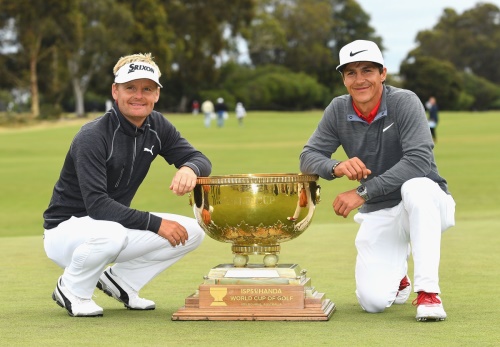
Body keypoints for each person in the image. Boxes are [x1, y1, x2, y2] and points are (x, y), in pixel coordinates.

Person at [43, 53, 212, 317]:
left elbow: (198, 158)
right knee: (113, 233)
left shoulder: (157, 125)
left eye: (147, 89)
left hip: (110, 228)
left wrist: (190, 168)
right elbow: (98, 207)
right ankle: (71, 289)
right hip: (66, 231)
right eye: (130, 88)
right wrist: (156, 223)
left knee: (192, 231)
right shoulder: (92, 136)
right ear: (115, 91)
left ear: (156, 95)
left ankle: (121, 282)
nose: (138, 95)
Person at [299, 40, 455, 322]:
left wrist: (363, 192)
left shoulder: (404, 101)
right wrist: (336, 166)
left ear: (383, 73)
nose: (360, 80)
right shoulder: (338, 109)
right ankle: (400, 277)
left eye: (367, 70)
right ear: (343, 79)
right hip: (380, 210)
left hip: (427, 203)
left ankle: (428, 293)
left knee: (415, 188)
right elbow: (308, 156)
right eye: (351, 73)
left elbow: (419, 160)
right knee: (372, 302)